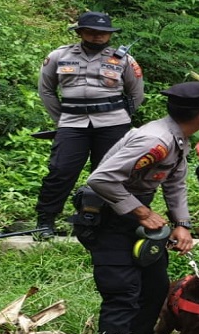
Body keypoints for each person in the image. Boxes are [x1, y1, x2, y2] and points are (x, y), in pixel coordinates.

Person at [83, 81, 199, 334]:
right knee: (123, 292)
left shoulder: (178, 138)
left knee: (154, 288)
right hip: (108, 216)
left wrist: (182, 225)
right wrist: (142, 212)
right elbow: (100, 179)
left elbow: (174, 183)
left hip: (136, 217)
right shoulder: (154, 140)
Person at [36, 11, 145, 238]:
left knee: (112, 174)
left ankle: (110, 223)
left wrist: (119, 117)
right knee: (60, 171)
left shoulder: (124, 59)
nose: (98, 36)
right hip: (72, 123)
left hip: (113, 124)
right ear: (80, 32)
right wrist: (61, 119)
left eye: (103, 33)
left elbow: (136, 93)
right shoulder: (59, 55)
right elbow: (46, 90)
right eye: (92, 32)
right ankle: (45, 221)